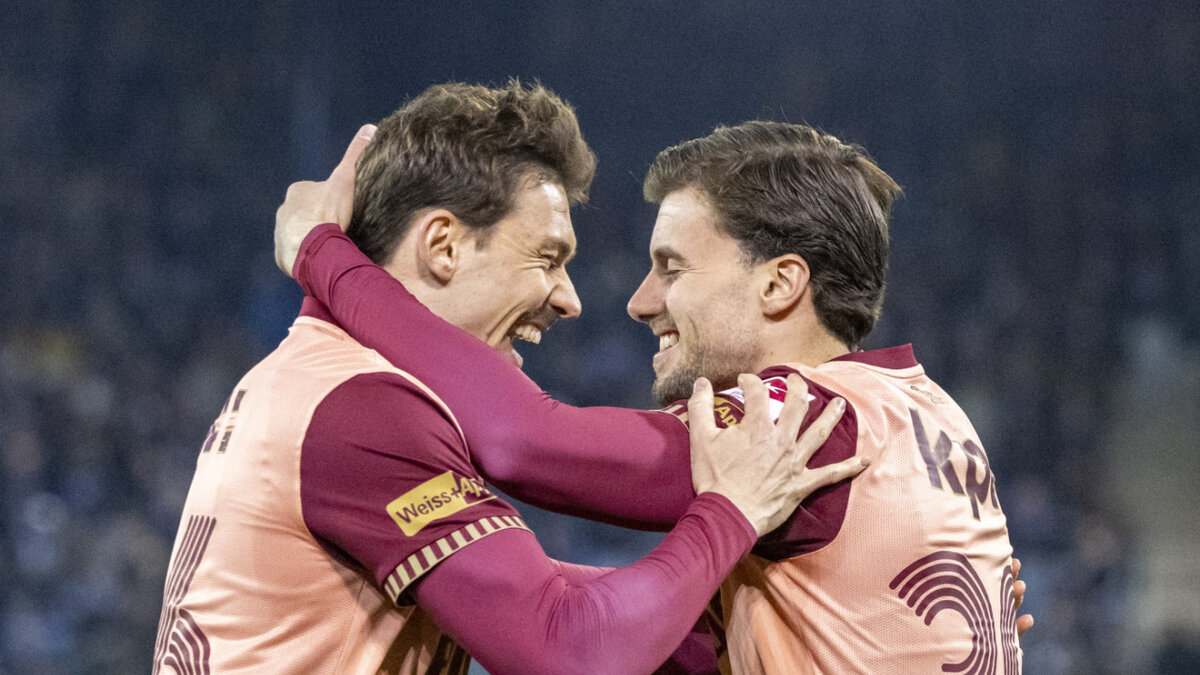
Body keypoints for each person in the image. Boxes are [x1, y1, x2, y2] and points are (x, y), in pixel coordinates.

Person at [152, 82, 866, 675]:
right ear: (443, 245)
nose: (570, 298)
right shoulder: (364, 406)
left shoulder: (314, 377)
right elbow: (571, 648)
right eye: (548, 257)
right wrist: (729, 512)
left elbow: (547, 593)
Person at [277, 117, 1032, 671]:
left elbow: (524, 442)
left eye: (672, 267)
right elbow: (664, 640)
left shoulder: (802, 424)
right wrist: (449, 579)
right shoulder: (924, 410)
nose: (640, 301)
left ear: (779, 284)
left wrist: (323, 255)